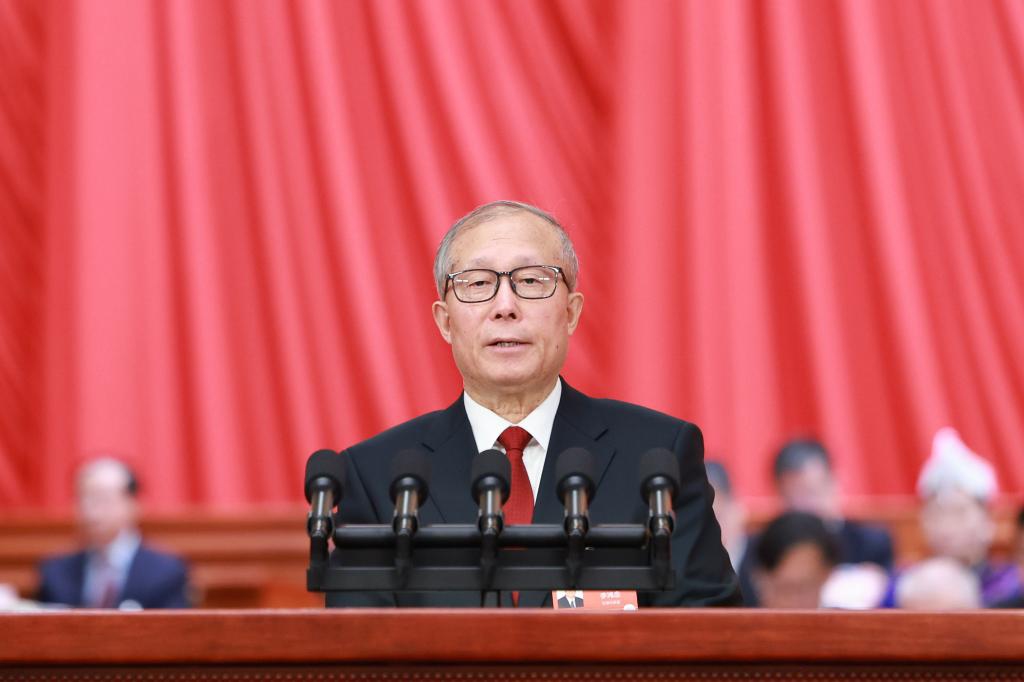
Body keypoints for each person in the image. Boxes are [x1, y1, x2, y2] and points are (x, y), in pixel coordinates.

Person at [327, 200, 741, 608]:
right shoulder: (376, 477)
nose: (505, 307)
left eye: (531, 281)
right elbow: (357, 657)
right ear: (445, 321)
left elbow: (709, 640)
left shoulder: (658, 456)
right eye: (477, 283)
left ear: (572, 312)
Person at [738, 438, 893, 605]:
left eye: (810, 492)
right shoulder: (760, 547)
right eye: (791, 496)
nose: (802, 505)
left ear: (834, 482)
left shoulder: (871, 543)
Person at [882, 428, 1021, 608]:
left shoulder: (1009, 586)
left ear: (988, 522)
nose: (948, 527)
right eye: (938, 513)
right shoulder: (903, 583)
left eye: (959, 513)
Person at [36, 457, 191, 609]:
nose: (90, 511)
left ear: (134, 504)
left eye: (102, 498)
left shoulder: (166, 571)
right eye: (83, 498)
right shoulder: (55, 572)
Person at [751, 511, 840, 609]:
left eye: (805, 589)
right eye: (786, 589)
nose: (795, 604)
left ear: (827, 575)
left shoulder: (846, 621)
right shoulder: (737, 622)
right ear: (760, 580)